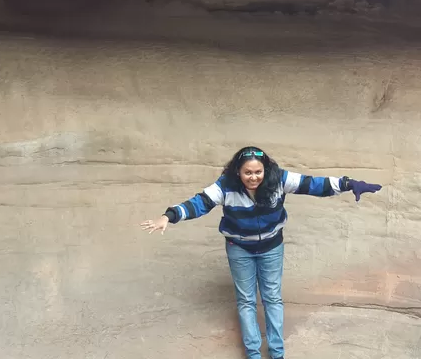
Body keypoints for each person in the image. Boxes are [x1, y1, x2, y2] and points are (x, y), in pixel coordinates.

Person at [140, 146, 382, 359]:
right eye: (248, 172)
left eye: (258, 172)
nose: (253, 177)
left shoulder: (279, 179)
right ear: (238, 172)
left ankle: (277, 352)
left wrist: (348, 184)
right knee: (246, 300)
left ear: (265, 169)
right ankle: (253, 353)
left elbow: (313, 184)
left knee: (272, 298)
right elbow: (199, 203)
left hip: (271, 248)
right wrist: (168, 216)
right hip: (239, 249)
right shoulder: (225, 186)